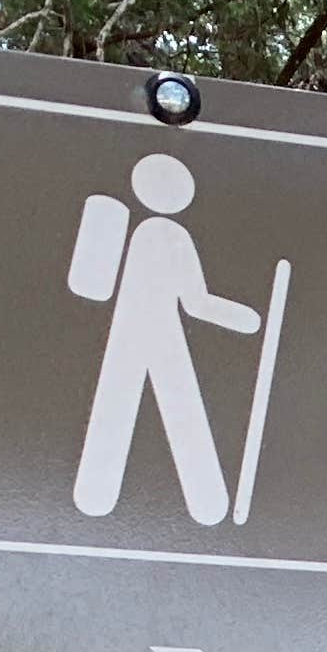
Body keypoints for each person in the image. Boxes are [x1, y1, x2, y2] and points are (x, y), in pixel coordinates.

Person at [70, 151, 262, 525]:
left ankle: (202, 508)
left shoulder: (162, 233)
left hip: (146, 334)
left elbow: (190, 301)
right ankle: (206, 507)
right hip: (146, 333)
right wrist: (244, 319)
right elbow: (196, 303)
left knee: (139, 408)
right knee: (168, 408)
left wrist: (243, 318)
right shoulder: (160, 233)